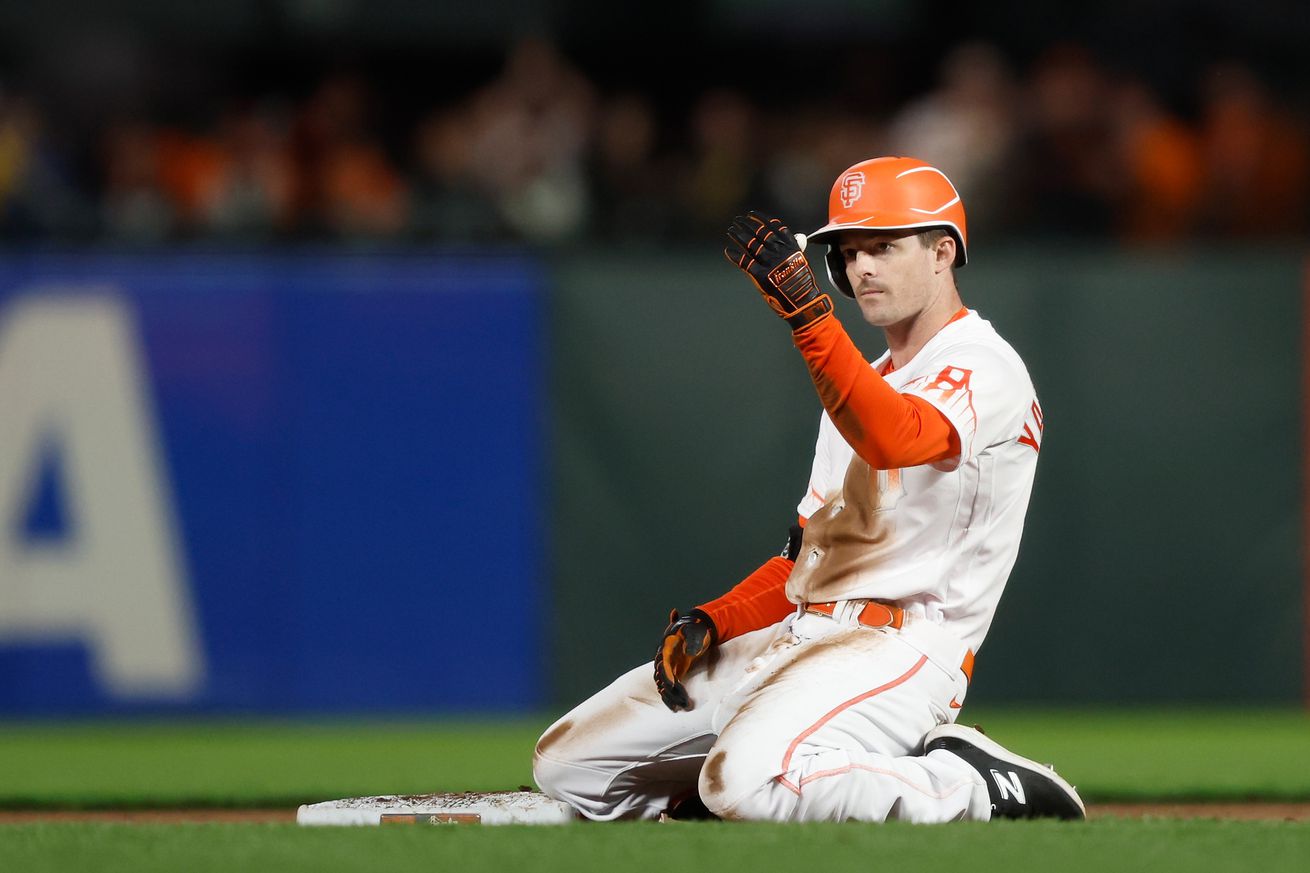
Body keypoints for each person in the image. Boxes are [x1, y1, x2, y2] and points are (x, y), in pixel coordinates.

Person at [532, 156, 1084, 824]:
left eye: (882, 246)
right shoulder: (859, 384)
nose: (861, 269)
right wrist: (718, 617)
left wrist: (810, 319)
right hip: (805, 630)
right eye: (849, 253)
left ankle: (972, 785)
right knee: (569, 766)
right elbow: (808, 557)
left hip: (906, 649)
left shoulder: (984, 363)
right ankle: (742, 803)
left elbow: (900, 438)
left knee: (741, 781)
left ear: (943, 252)